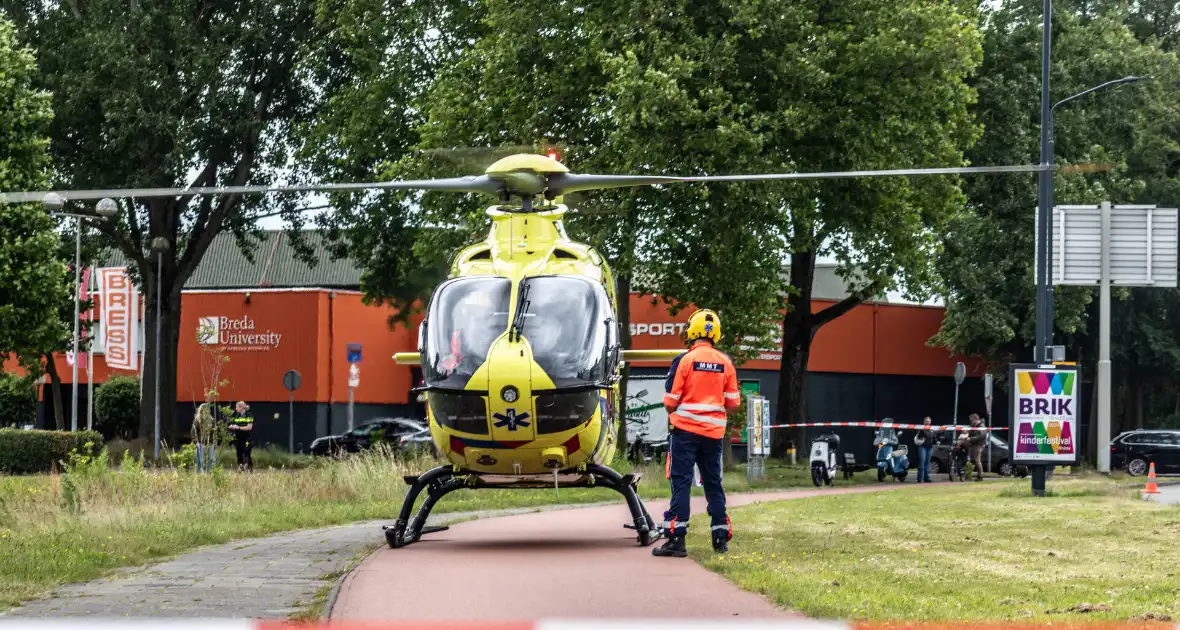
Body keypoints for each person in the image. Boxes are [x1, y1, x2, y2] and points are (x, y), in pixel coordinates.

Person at [653, 309, 741, 558]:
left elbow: (670, 401)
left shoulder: (684, 360)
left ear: (692, 331)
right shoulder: (726, 362)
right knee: (713, 483)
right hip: (713, 435)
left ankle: (677, 539)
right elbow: (733, 403)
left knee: (681, 482)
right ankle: (720, 537)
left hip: (684, 433)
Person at [228, 401, 254, 472]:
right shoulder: (237, 416)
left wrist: (238, 427)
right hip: (238, 438)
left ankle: (249, 468)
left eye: (237, 407)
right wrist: (232, 427)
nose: (236, 409)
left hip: (247, 438)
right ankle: (241, 466)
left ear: (241, 407)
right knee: (239, 453)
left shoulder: (249, 415)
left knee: (246, 452)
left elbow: (249, 427)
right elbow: (235, 425)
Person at [190, 403, 216, 473]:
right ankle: (199, 474)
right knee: (200, 461)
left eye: (207, 410)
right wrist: (196, 442)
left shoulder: (212, 420)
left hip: (210, 444)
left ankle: (209, 473)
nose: (206, 411)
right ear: (201, 410)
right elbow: (193, 432)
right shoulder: (197, 420)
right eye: (204, 410)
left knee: (211, 459)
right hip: (200, 443)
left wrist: (215, 443)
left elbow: (215, 432)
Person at [965, 413, 986, 481]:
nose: (971, 421)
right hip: (974, 445)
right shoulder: (975, 425)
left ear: (975, 419)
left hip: (978, 445)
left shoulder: (981, 426)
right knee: (972, 461)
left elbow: (981, 436)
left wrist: (971, 439)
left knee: (977, 460)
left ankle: (980, 476)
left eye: (971, 420)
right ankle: (969, 476)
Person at [914, 416, 934, 483]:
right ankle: (920, 479)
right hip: (922, 447)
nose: (928, 422)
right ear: (924, 422)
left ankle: (926, 478)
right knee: (922, 462)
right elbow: (918, 436)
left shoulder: (932, 429)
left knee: (927, 463)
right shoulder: (921, 428)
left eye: (929, 421)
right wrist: (921, 432)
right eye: (927, 421)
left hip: (930, 448)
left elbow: (934, 438)